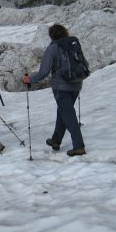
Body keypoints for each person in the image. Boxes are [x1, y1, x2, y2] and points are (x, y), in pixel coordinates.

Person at [22, 24, 86, 156]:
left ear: (51, 35)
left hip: (61, 87)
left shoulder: (53, 48)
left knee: (69, 115)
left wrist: (30, 80)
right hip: (76, 84)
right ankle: (56, 140)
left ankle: (79, 146)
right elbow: (83, 62)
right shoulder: (73, 43)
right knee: (63, 112)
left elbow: (44, 71)